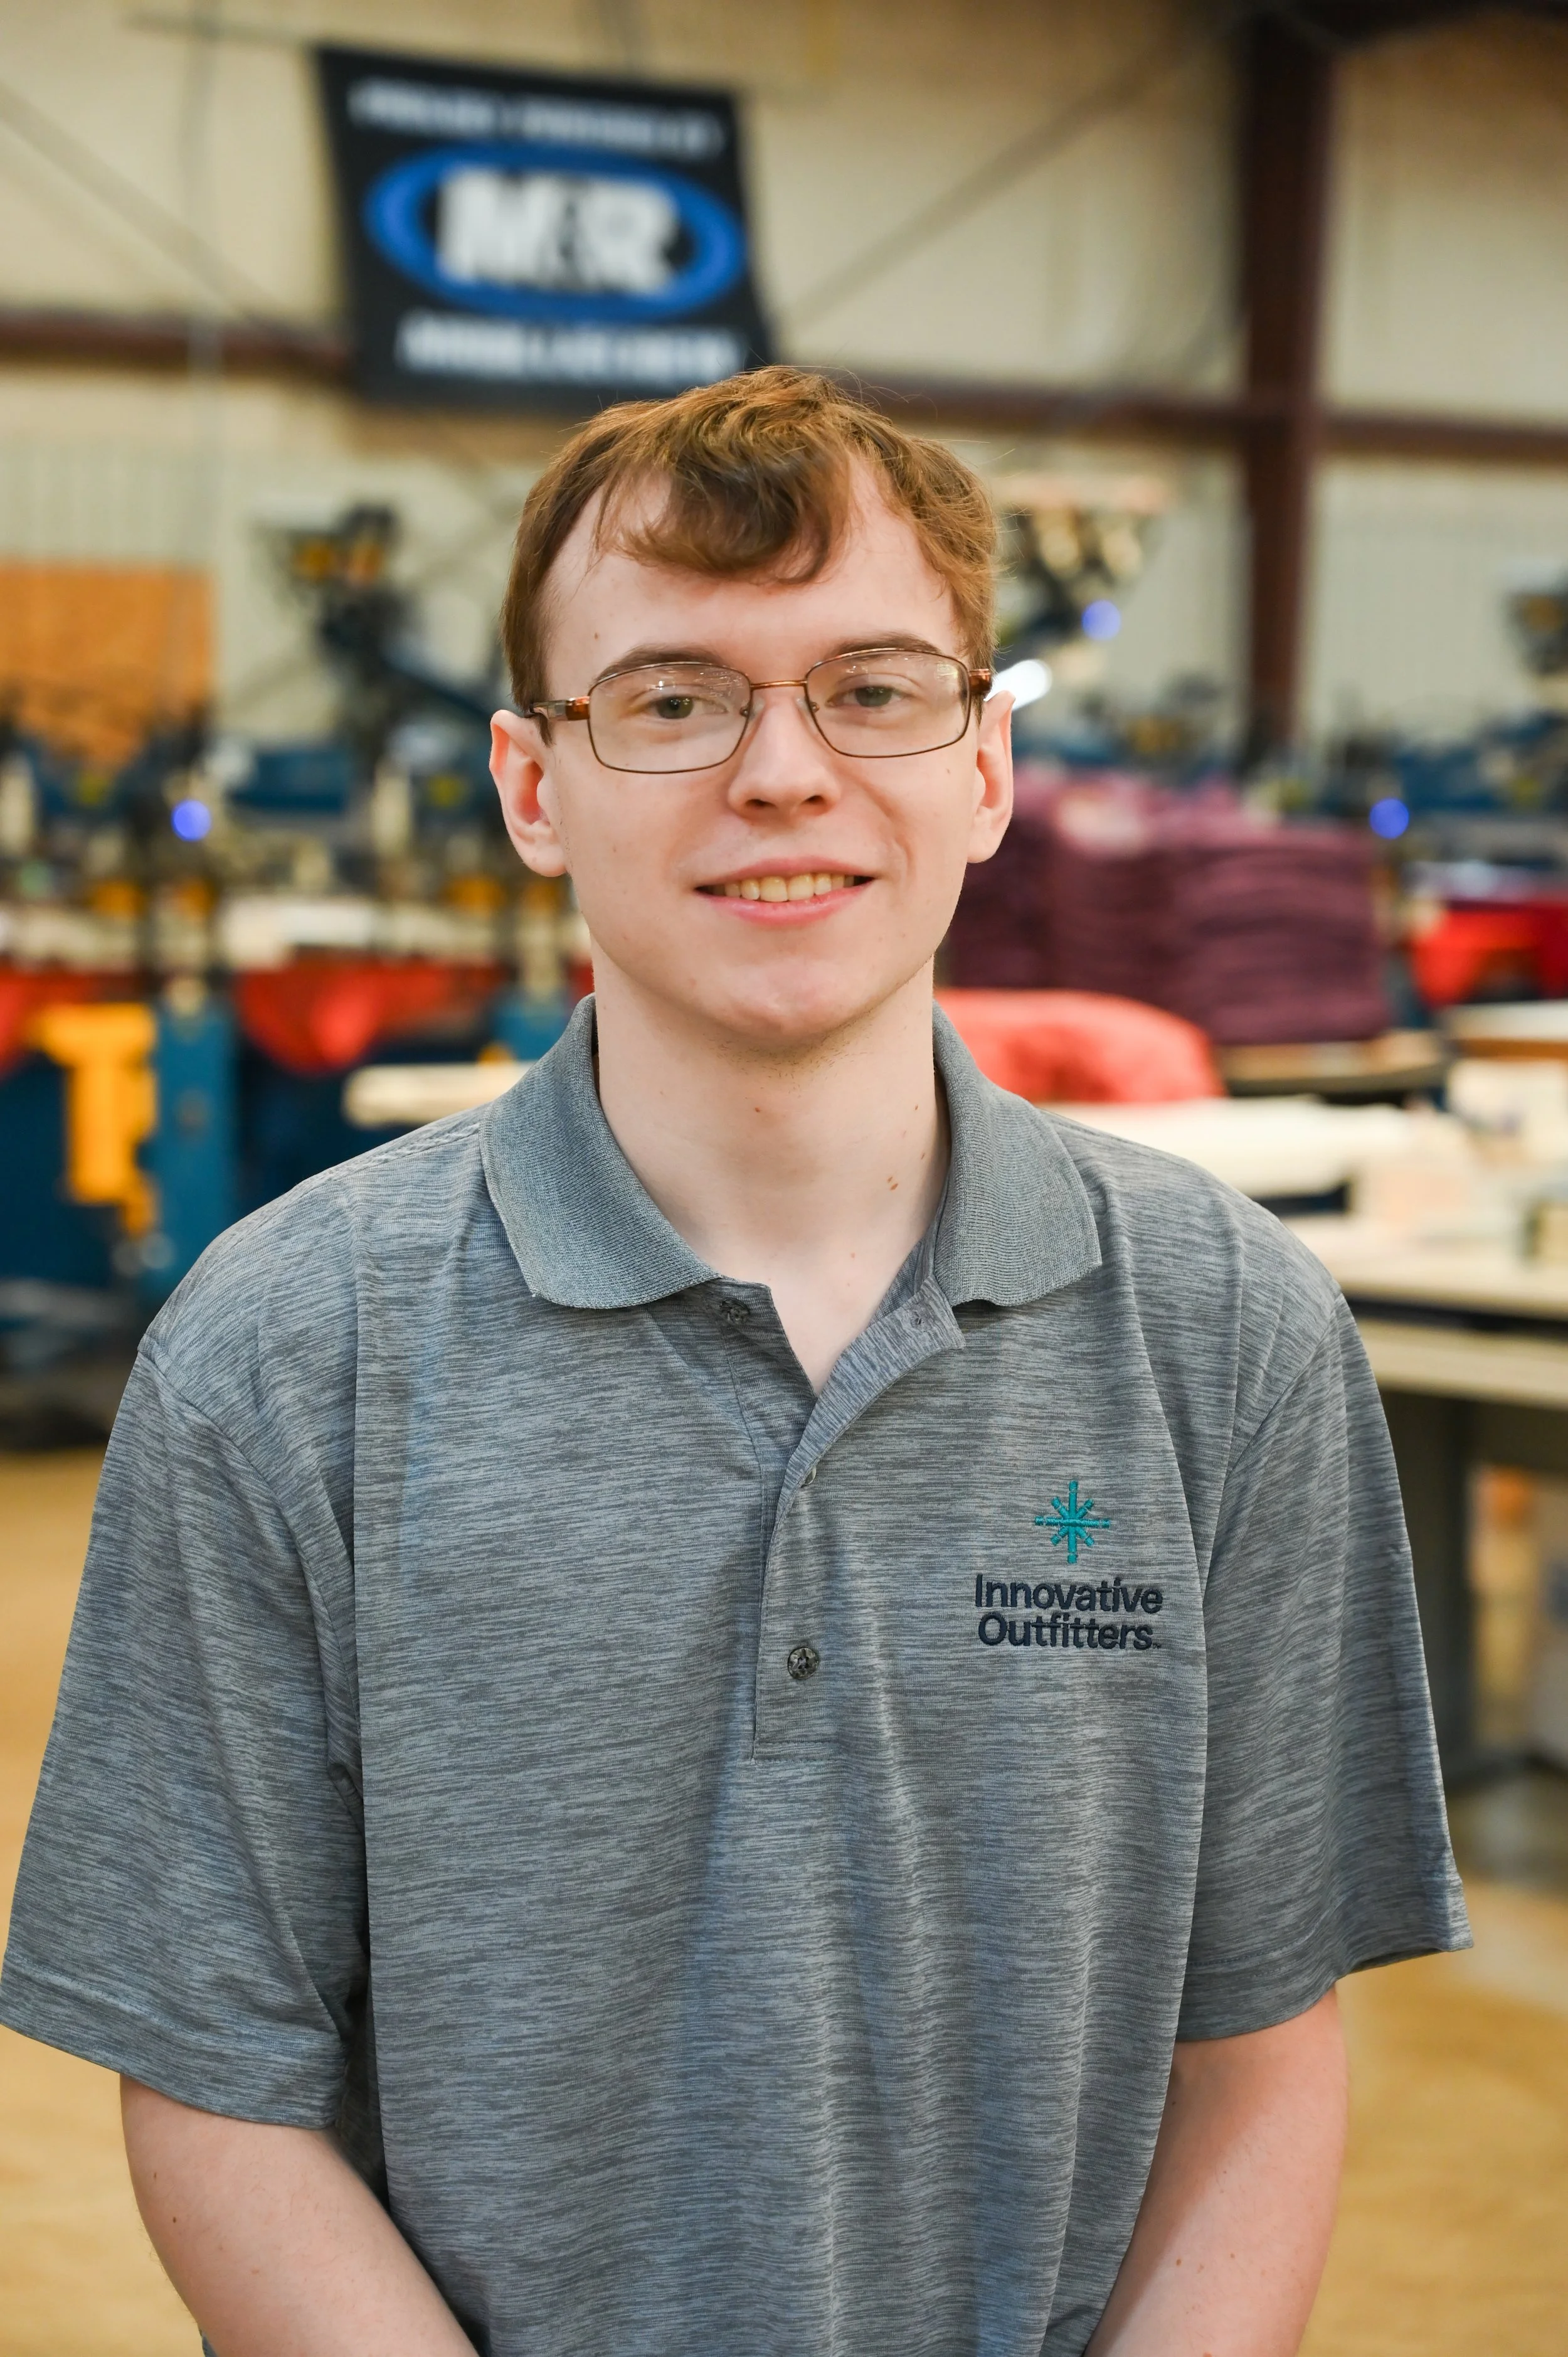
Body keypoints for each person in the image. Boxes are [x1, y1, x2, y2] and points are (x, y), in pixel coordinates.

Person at [1, 366, 1467, 2357]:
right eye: (674, 698)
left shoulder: (1226, 1334)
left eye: (870, 686)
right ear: (533, 785)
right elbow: (215, 2077)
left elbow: (1257, 2048)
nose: (782, 773)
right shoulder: (283, 1353)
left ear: (982, 769)